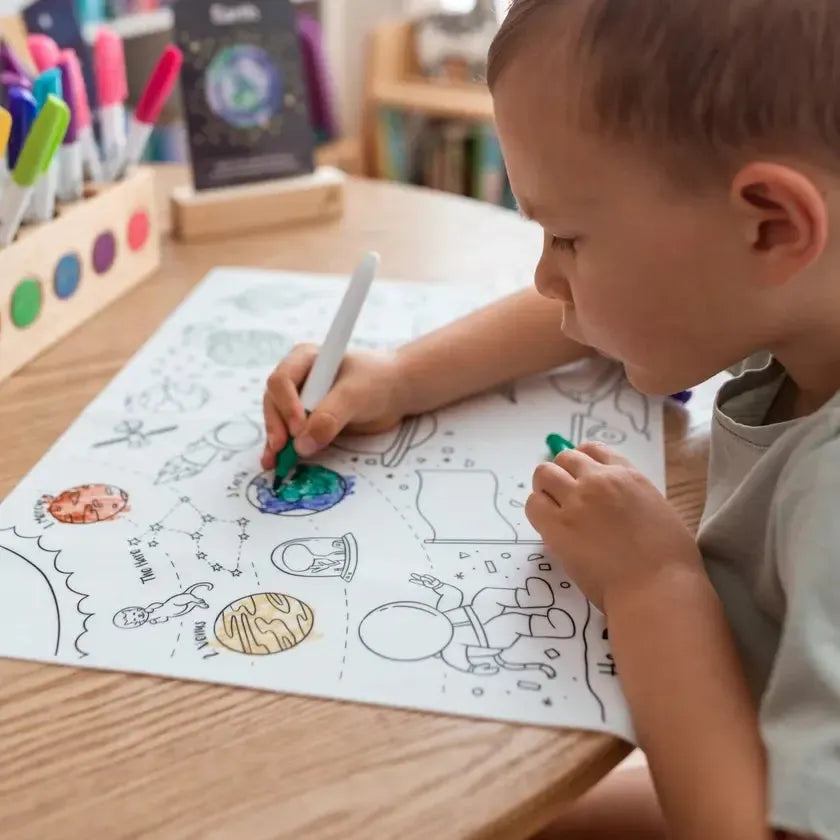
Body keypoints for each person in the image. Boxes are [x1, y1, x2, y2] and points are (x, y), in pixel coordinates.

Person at [262, 1, 840, 836]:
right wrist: (402, 375)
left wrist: (654, 587)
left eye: (567, 237)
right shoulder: (795, 293)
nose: (545, 278)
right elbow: (593, 312)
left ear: (773, 225)